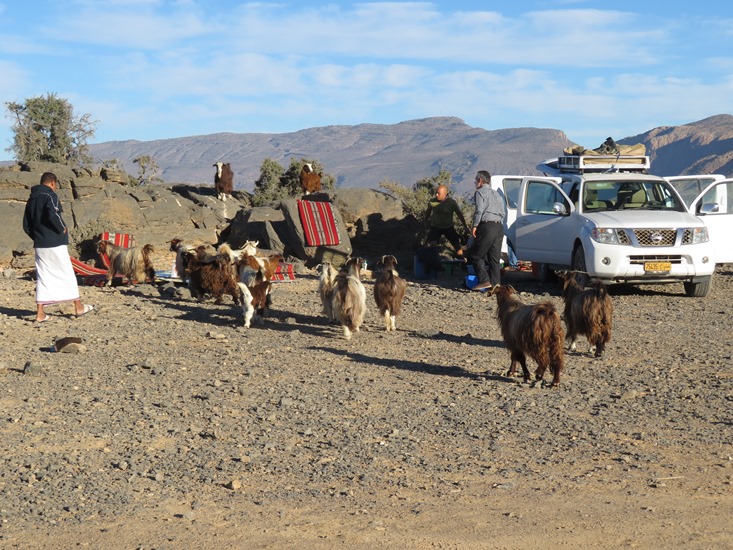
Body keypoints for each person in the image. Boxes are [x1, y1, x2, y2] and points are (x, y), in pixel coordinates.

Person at [23, 172, 94, 322]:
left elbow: (26, 225)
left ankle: (40, 314)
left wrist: (37, 237)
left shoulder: (31, 199)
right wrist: (62, 228)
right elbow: (53, 214)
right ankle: (79, 307)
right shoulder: (50, 196)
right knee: (67, 272)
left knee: (43, 276)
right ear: (53, 183)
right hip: (55, 242)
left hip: (40, 245)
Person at [470, 170, 505, 291]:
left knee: (476, 255)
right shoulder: (496, 194)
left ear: (480, 181)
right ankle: (496, 286)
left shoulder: (480, 193)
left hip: (487, 226)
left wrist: (475, 225)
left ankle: (484, 281)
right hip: (499, 227)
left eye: (476, 180)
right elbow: (503, 212)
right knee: (494, 259)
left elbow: (479, 210)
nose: (475, 182)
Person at [424, 184, 470, 258]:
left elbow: (459, 214)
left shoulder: (451, 203)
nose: (436, 194)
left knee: (457, 246)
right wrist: (425, 221)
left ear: (445, 194)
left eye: (438, 193)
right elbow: (428, 211)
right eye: (436, 192)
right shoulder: (432, 202)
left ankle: (462, 261)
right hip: (436, 227)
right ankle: (434, 261)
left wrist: (465, 226)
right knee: (432, 243)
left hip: (448, 227)